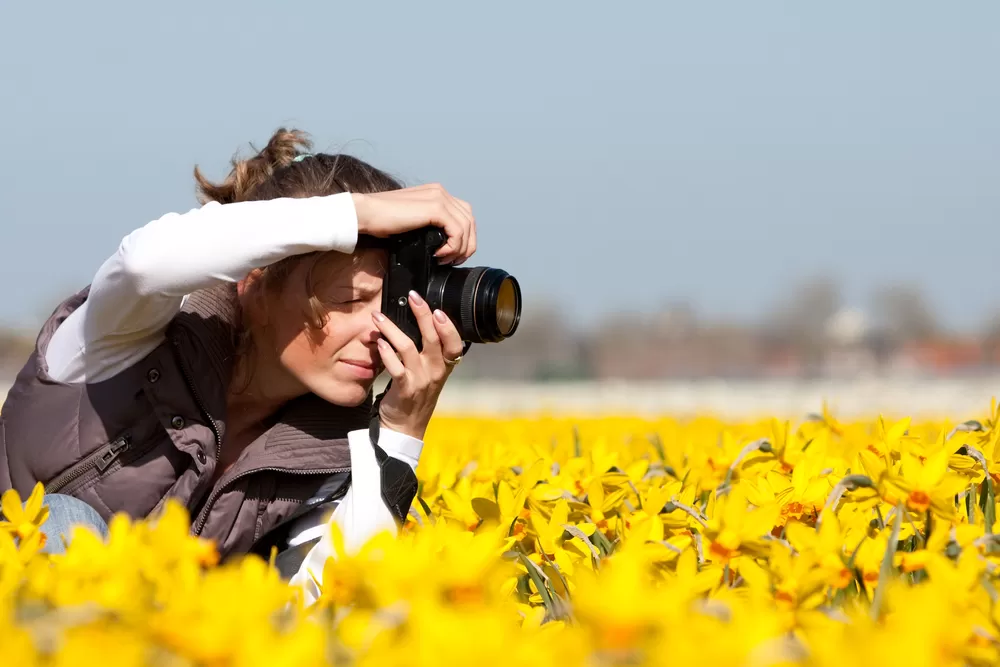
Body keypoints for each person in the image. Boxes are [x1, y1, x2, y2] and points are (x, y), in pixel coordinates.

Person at [0, 128, 476, 602]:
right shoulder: (129, 335)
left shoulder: (330, 451)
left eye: (390, 305)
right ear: (254, 283)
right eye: (349, 299)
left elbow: (325, 603)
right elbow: (146, 265)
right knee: (63, 523)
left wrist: (399, 430)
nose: (378, 330)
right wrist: (356, 214)